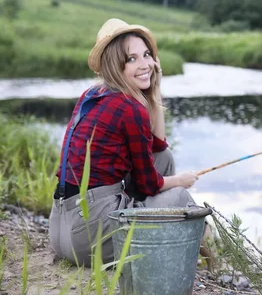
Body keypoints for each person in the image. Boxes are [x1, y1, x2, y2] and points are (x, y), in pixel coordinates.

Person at [49, 18, 212, 268]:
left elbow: (157, 146)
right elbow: (149, 183)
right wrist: (181, 180)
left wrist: (154, 87)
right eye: (132, 59)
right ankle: (218, 263)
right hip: (89, 237)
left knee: (164, 158)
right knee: (180, 196)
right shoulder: (129, 107)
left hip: (61, 229)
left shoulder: (93, 94)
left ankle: (165, 233)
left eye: (147, 55)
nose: (145, 64)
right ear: (115, 65)